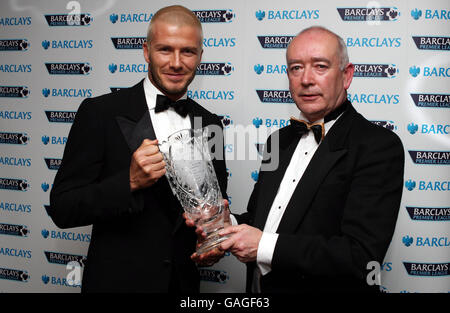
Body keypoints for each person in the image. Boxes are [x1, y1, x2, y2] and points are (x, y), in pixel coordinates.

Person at [195, 26, 404, 293]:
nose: (306, 79)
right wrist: (229, 225)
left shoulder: (377, 146)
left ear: (347, 75)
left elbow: (360, 256)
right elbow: (263, 221)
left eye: (320, 66)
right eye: (296, 68)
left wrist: (264, 246)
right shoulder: (278, 140)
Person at [48, 5, 228, 293]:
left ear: (200, 57)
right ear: (146, 52)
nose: (177, 62)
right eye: (165, 50)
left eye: (188, 52)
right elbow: (62, 207)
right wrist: (128, 182)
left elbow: (211, 206)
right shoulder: (100, 113)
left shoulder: (211, 123)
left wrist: (213, 239)